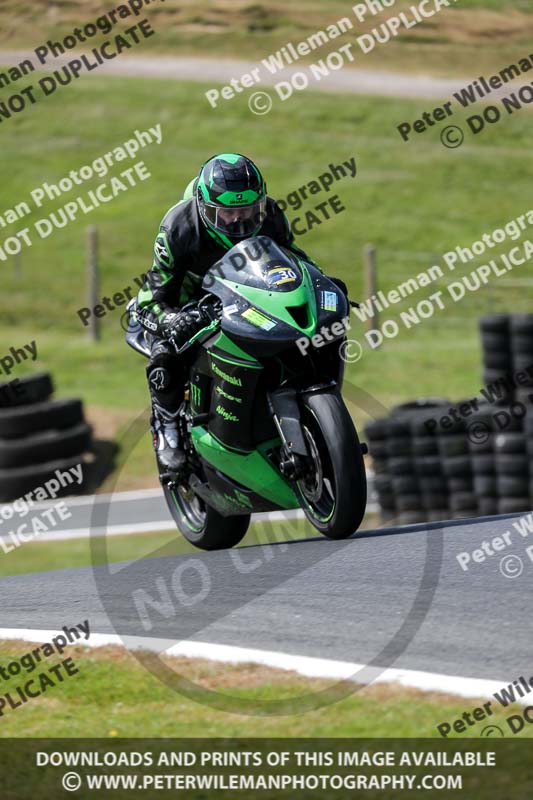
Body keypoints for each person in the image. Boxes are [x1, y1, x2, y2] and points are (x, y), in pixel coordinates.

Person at [136, 153, 347, 474]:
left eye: (248, 210)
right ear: (205, 208)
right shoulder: (178, 229)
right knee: (164, 357)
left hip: (244, 294)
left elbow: (295, 259)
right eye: (227, 214)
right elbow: (150, 299)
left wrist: (321, 282)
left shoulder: (272, 215)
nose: (239, 220)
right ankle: (167, 429)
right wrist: (172, 320)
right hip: (188, 300)